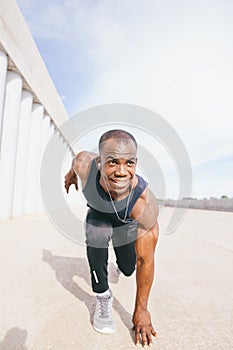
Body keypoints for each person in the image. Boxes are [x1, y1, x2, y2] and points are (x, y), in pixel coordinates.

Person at [64, 129, 159, 347]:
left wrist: (142, 310)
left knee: (128, 268)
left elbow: (146, 260)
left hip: (125, 225)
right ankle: (103, 297)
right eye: (113, 162)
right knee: (96, 234)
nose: (122, 171)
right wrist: (71, 175)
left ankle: (119, 266)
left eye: (129, 163)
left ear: (136, 163)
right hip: (98, 216)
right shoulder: (83, 165)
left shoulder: (143, 205)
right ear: (99, 162)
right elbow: (76, 159)